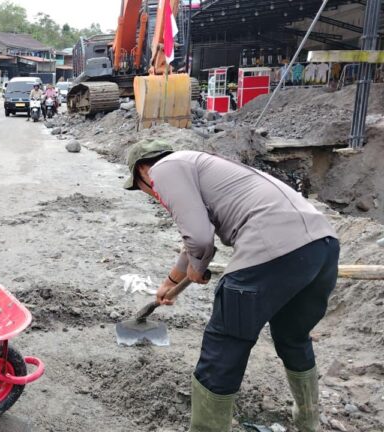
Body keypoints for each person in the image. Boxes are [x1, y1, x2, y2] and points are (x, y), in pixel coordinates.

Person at [123, 140, 339, 432]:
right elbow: (194, 243)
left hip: (271, 246)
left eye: (142, 188)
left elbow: (199, 240)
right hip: (321, 247)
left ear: (142, 171)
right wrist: (171, 282)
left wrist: (198, 269)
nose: (150, 193)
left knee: (224, 347)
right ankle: (308, 422)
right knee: (293, 336)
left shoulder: (163, 170)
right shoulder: (201, 164)